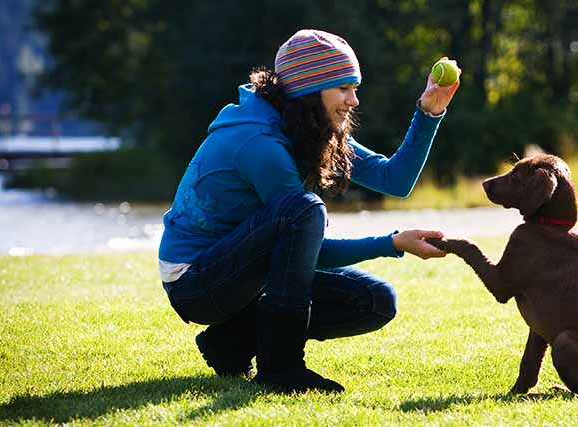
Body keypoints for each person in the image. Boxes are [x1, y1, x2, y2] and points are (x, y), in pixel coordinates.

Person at [158, 29, 460, 393]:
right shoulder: (260, 143)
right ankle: (281, 368)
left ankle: (231, 342)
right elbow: (309, 245)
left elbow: (393, 179)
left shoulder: (306, 124)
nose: (354, 100)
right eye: (344, 88)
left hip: (243, 273)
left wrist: (430, 111)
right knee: (303, 211)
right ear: (309, 91)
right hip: (195, 282)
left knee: (375, 302)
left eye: (354, 87)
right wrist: (392, 243)